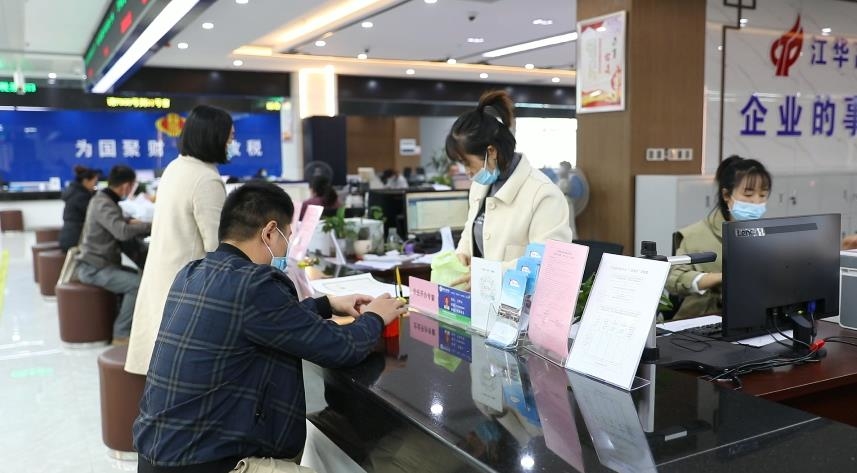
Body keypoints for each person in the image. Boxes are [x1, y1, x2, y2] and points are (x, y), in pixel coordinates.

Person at [133, 181, 406, 473]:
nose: (287, 248)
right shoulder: (256, 283)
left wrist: (326, 304)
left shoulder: (192, 273)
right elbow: (342, 347)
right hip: (211, 465)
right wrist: (375, 317)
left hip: (157, 459)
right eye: (287, 237)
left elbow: (265, 320)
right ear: (269, 232)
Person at [125, 105, 232, 376]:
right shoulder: (206, 179)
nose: (231, 143)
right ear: (214, 137)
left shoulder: (175, 167)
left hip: (164, 278)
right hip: (188, 287)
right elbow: (218, 247)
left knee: (160, 365)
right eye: (229, 137)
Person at [447, 91, 573, 286]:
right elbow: (470, 228)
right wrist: (462, 252)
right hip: (482, 294)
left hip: (521, 299)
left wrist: (492, 274)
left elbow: (550, 262)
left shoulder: (544, 194)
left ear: (491, 151)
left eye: (467, 162)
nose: (467, 171)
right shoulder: (480, 186)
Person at [665, 155, 772, 320]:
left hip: (754, 315)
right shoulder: (696, 234)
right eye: (748, 194)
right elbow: (674, 280)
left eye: (763, 195)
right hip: (703, 317)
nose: (756, 202)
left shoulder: (766, 233)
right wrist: (721, 278)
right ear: (726, 195)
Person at [75, 165, 151, 341]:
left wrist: (130, 221)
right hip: (94, 268)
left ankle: (133, 325)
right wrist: (149, 226)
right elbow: (121, 231)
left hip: (102, 264)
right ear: (126, 185)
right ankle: (121, 333)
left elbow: (117, 222)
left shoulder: (104, 199)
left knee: (141, 275)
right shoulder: (103, 203)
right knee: (138, 284)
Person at [58, 165, 100, 251]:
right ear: (86, 181)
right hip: (75, 240)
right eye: (94, 182)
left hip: (68, 237)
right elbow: (95, 215)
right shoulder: (81, 196)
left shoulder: (73, 192)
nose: (95, 186)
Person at [555, 161, 578, 237]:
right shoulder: (560, 181)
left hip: (566, 203)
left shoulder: (566, 182)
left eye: (561, 168)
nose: (559, 171)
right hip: (561, 203)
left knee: (569, 223)